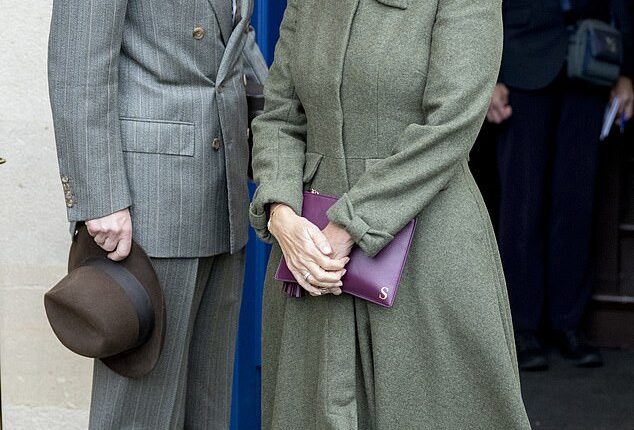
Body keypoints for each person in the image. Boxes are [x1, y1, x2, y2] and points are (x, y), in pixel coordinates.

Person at [249, 0, 531, 428]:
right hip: (311, 254)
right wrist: (280, 213)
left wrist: (351, 225)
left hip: (426, 247)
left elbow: (451, 125)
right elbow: (280, 115)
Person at [47, 0, 267, 427]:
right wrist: (100, 196)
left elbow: (237, 45)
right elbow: (77, 64)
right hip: (147, 203)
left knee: (207, 407)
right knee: (138, 412)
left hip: (222, 192)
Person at [487, 0, 634, 370]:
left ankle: (568, 324)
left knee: (576, 203)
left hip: (591, 64)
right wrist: (490, 76)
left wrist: (626, 70)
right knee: (523, 204)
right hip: (522, 63)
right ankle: (521, 328)